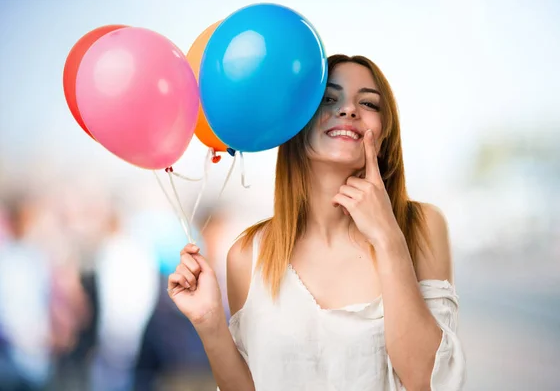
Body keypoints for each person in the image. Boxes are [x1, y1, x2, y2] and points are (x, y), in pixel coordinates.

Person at [167, 54, 466, 391]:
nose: (349, 109)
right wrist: (209, 323)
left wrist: (388, 238)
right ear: (298, 121)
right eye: (328, 98)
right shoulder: (247, 255)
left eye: (368, 103)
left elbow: (429, 381)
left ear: (383, 137)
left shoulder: (422, 226)